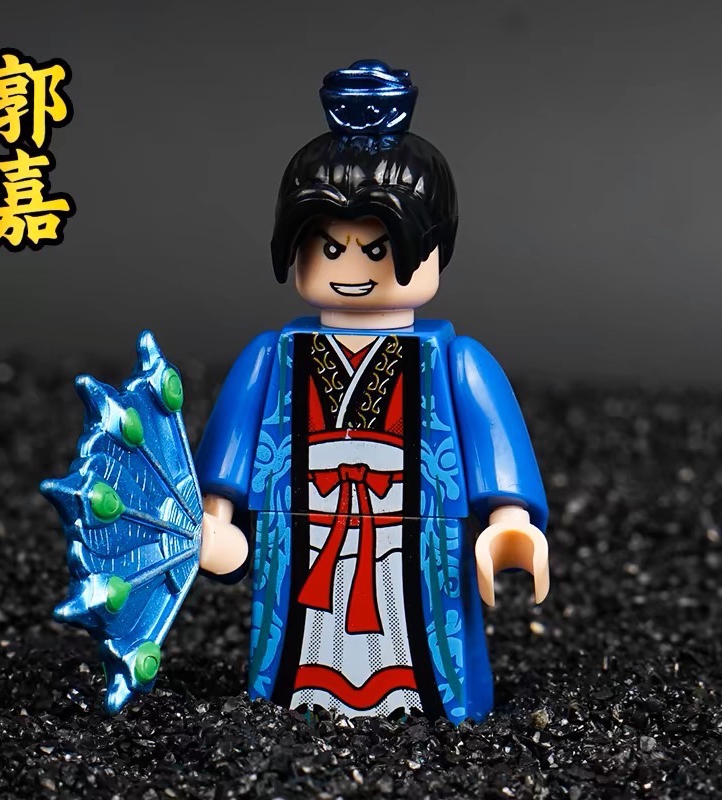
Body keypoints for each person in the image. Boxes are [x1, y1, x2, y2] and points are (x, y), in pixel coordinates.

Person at [195, 60, 549, 724]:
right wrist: (217, 521)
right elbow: (231, 459)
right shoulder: (272, 358)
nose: (352, 269)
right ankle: (300, 697)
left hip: (413, 540)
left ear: (434, 249)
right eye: (329, 249)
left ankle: (420, 702)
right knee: (300, 643)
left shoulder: (456, 362)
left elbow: (493, 446)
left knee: (416, 634)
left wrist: (509, 524)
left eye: (379, 249)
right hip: (300, 533)